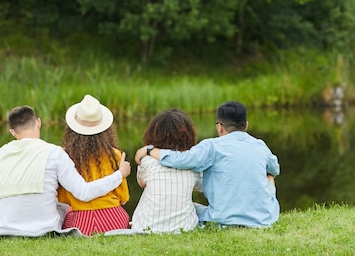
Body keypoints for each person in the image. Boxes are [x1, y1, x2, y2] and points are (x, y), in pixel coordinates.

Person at [0, 105, 131, 240]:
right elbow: (84, 192)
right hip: (47, 228)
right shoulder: (54, 153)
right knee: (62, 205)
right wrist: (119, 175)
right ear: (38, 122)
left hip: (6, 229)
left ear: (12, 132)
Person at [134, 101, 279, 227]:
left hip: (224, 219)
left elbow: (182, 160)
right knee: (269, 175)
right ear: (246, 125)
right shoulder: (261, 145)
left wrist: (150, 150)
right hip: (264, 219)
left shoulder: (212, 146)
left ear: (219, 127)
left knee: (190, 207)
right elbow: (274, 169)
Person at [57, 95, 131, 234]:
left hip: (81, 223)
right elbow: (124, 198)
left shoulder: (63, 156)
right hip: (115, 220)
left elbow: (62, 199)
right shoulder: (115, 155)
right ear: (105, 130)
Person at [132, 108, 202, 233]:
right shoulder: (192, 164)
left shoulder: (146, 161)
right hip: (184, 228)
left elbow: (142, 183)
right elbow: (200, 186)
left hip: (144, 226)